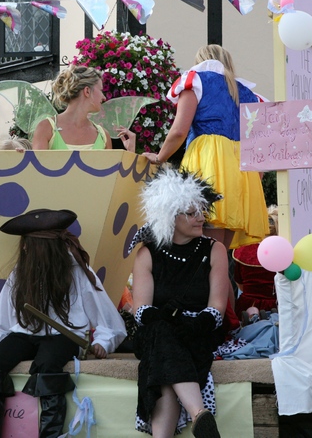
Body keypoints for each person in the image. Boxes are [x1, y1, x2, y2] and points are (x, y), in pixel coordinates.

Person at [0, 209, 126, 438]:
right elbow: (3, 319)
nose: (23, 249)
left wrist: (104, 341)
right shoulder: (20, 272)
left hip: (65, 335)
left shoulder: (76, 270)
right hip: (24, 334)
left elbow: (106, 317)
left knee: (48, 365)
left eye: (28, 245)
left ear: (42, 249)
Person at [130, 167, 228, 438]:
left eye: (202, 211)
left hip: (200, 330)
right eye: (192, 213)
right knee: (162, 334)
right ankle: (199, 413)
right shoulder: (148, 253)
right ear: (170, 216)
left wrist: (195, 322)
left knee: (162, 361)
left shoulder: (214, 249)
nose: (201, 218)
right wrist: (164, 320)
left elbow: (217, 305)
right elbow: (141, 309)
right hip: (159, 331)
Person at [143, 45, 268, 249]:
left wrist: (160, 157)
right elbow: (258, 148)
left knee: (204, 249)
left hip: (209, 161)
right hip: (243, 172)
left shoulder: (197, 81)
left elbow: (178, 131)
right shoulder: (248, 94)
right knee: (220, 252)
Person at [31, 65, 135, 152]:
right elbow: (36, 173)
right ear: (87, 91)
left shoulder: (103, 135)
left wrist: (130, 152)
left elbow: (111, 175)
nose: (104, 97)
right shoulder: (46, 128)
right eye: (100, 90)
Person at [232, 206, 279, 318]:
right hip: (276, 306)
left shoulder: (245, 249)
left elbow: (239, 282)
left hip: (246, 304)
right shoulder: (285, 251)